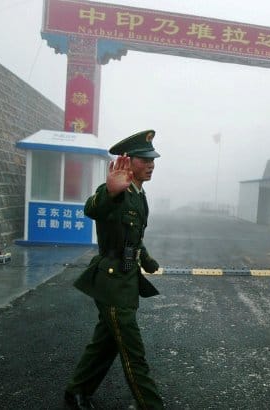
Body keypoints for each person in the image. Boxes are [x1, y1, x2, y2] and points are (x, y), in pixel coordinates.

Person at [64, 130, 165, 410]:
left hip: (127, 279)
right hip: (112, 283)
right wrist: (109, 192)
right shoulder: (116, 192)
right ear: (128, 161)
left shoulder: (139, 195)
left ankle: (77, 391)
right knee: (133, 353)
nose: (151, 164)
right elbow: (92, 209)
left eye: (153, 159)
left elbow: (133, 237)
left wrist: (147, 260)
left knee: (106, 342)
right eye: (145, 159)